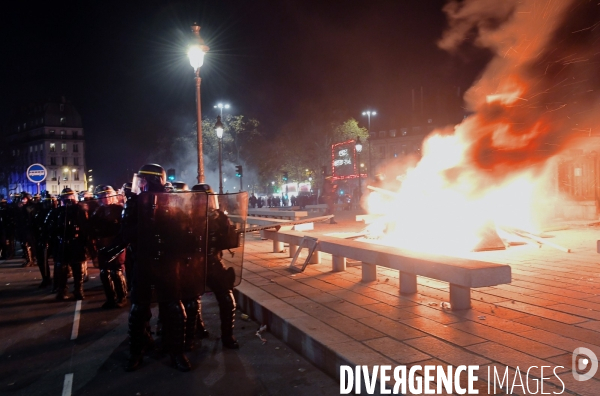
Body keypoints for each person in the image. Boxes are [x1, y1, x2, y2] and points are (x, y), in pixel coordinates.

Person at [192, 183, 239, 349]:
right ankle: (195, 330)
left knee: (227, 299)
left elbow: (230, 241)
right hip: (193, 264)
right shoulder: (186, 217)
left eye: (208, 199)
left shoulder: (218, 217)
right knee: (191, 300)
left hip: (213, 262)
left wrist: (227, 227)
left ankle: (228, 335)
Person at [48, 188, 91, 301]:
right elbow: (50, 227)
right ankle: (62, 291)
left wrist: (86, 242)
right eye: (65, 198)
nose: (68, 200)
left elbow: (86, 227)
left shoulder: (79, 210)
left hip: (76, 242)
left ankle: (78, 290)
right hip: (61, 242)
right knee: (62, 269)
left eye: (70, 198)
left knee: (77, 268)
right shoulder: (57, 211)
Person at [91, 185, 127, 308]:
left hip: (115, 243)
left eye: (107, 195)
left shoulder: (119, 209)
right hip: (102, 243)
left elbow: (123, 228)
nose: (105, 198)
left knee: (116, 271)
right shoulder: (98, 211)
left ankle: (122, 297)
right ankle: (110, 298)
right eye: (102, 196)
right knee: (104, 272)